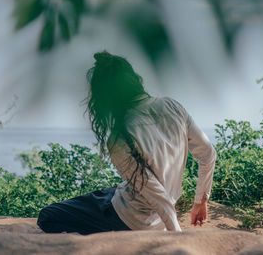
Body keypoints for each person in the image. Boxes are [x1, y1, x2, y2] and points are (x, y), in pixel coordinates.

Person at [36, 51, 217, 234]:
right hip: (141, 207)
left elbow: (157, 195)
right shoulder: (172, 106)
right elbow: (208, 154)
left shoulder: (119, 136)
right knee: (108, 193)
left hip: (131, 219)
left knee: (48, 215)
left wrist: (176, 235)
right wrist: (200, 201)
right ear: (134, 80)